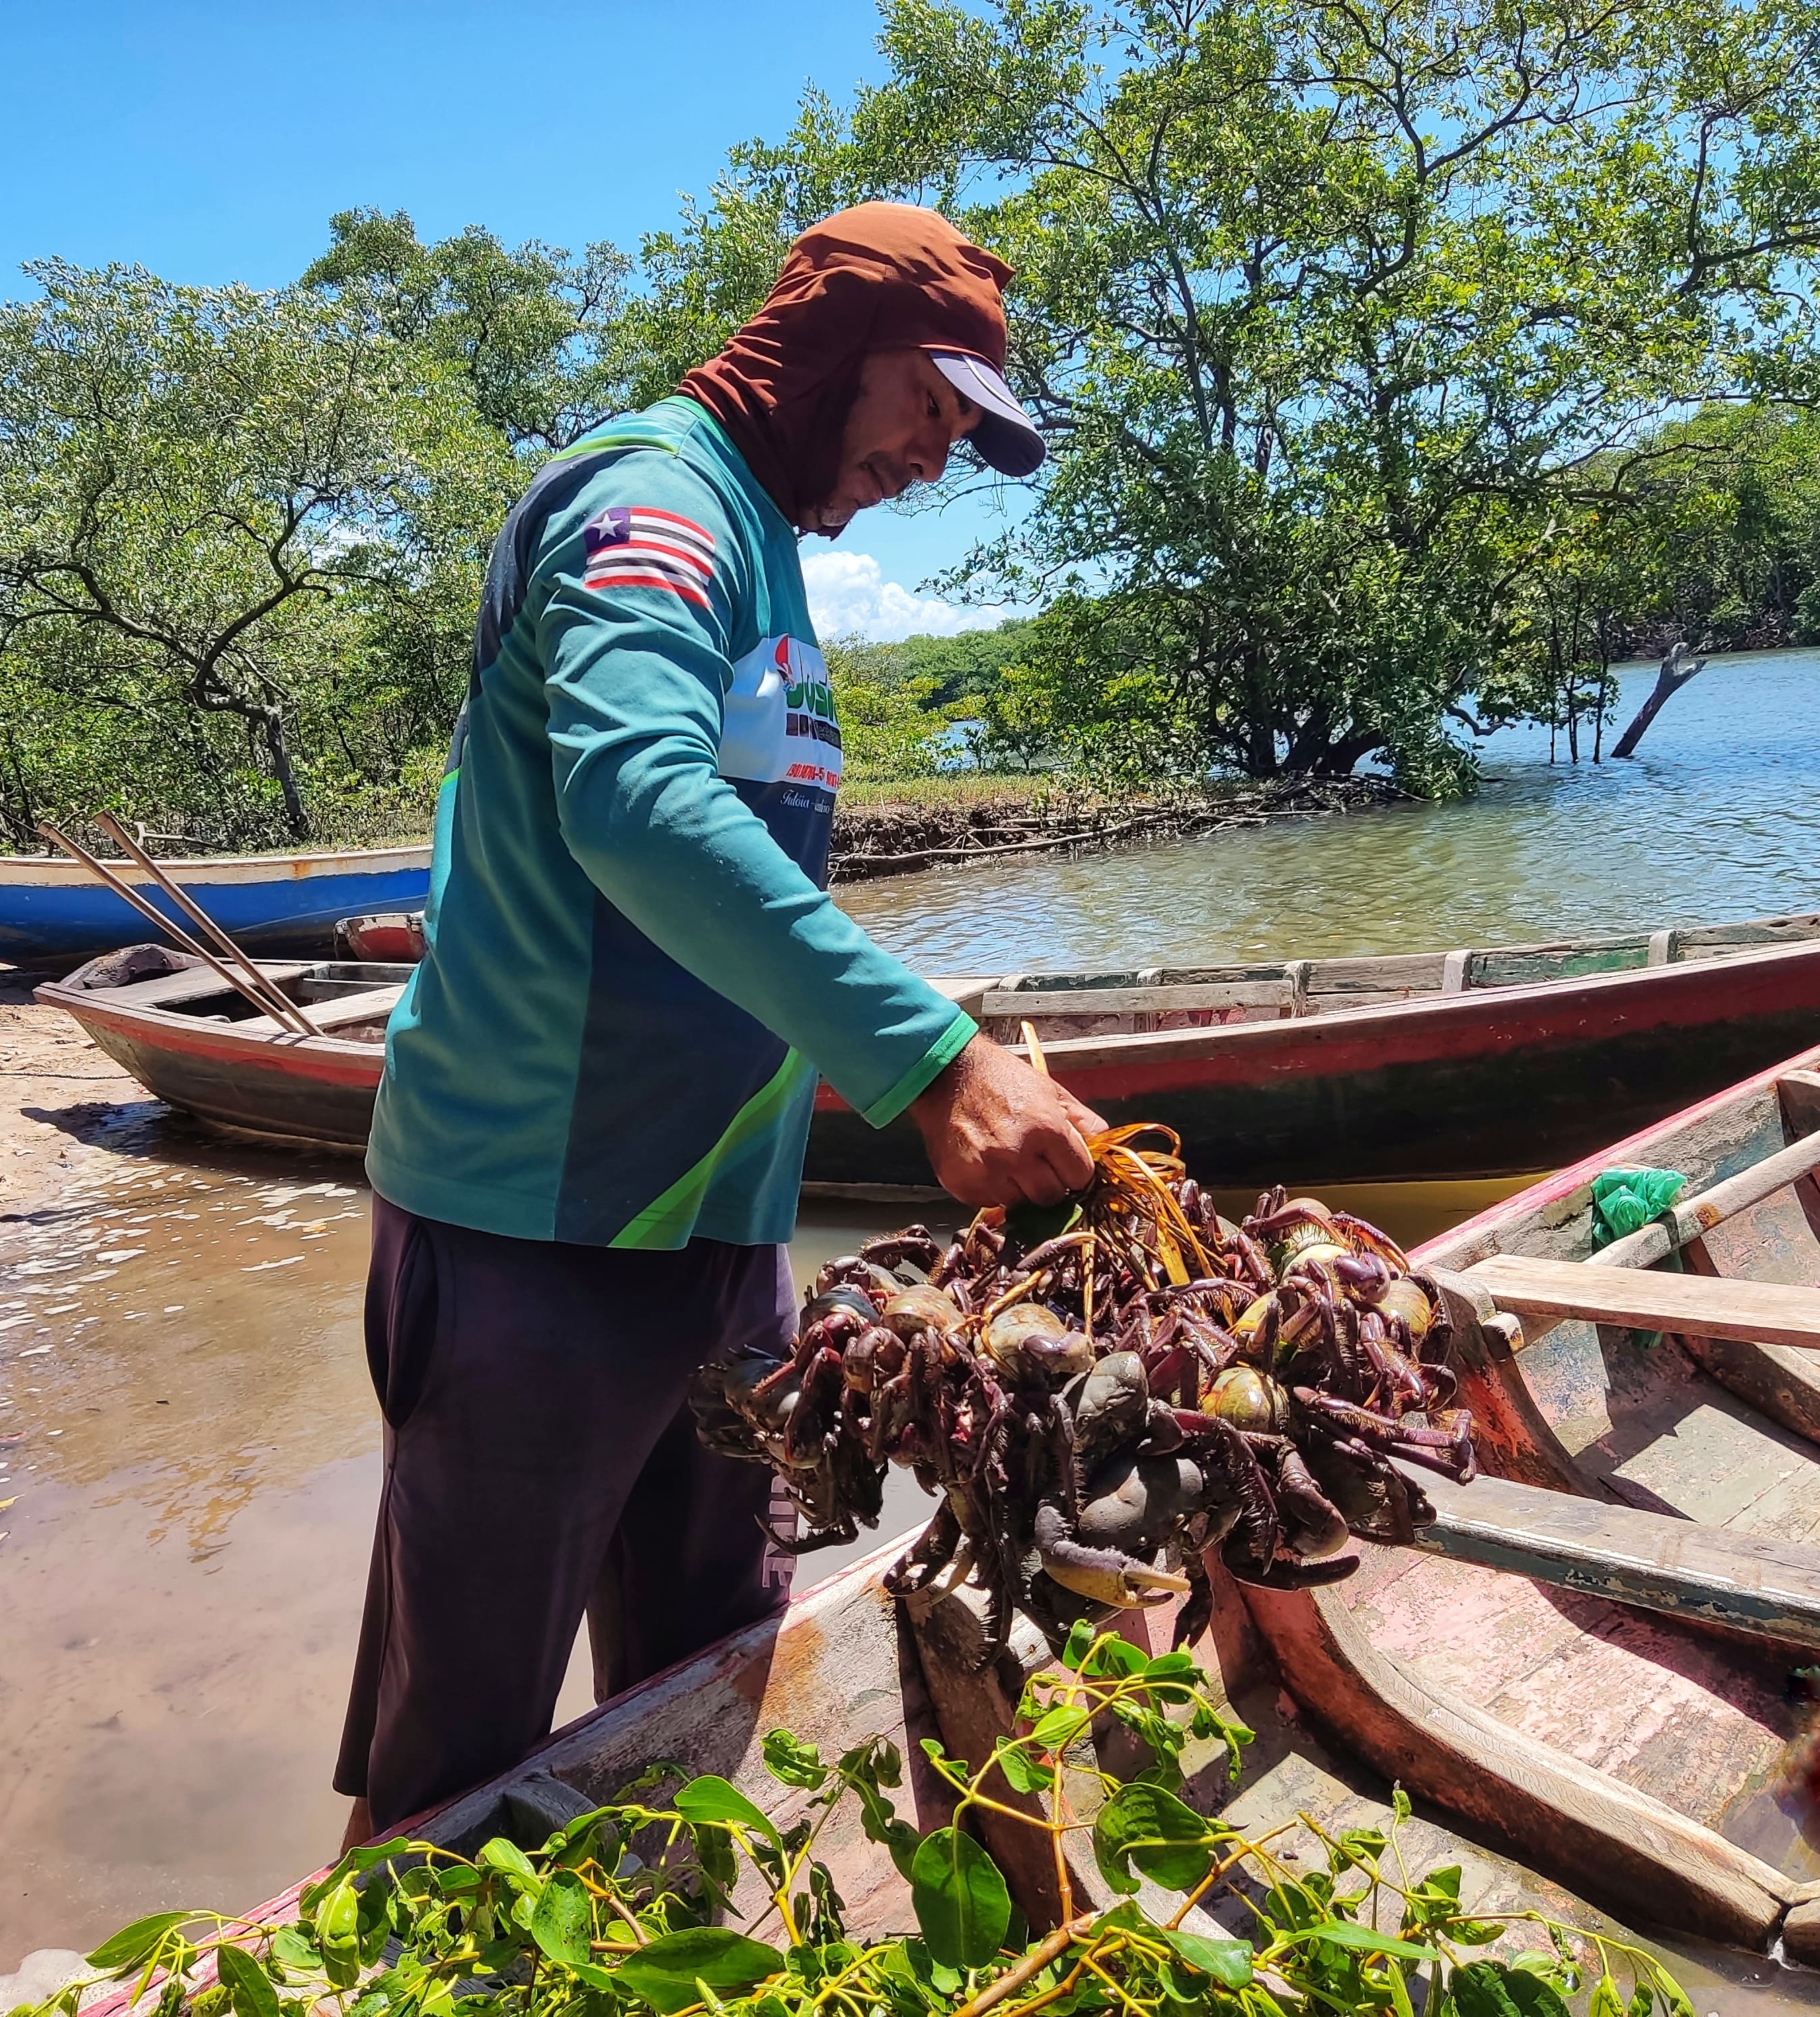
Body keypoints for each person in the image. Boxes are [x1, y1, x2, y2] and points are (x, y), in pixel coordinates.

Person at [336, 202, 1103, 1839]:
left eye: (969, 426)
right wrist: (930, 1057)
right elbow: (632, 804)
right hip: (531, 1236)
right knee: (456, 1760)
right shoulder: (653, 507)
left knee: (708, 1689)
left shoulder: (768, 558)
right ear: (834, 350)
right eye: (931, 403)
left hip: (715, 1241)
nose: (939, 454)